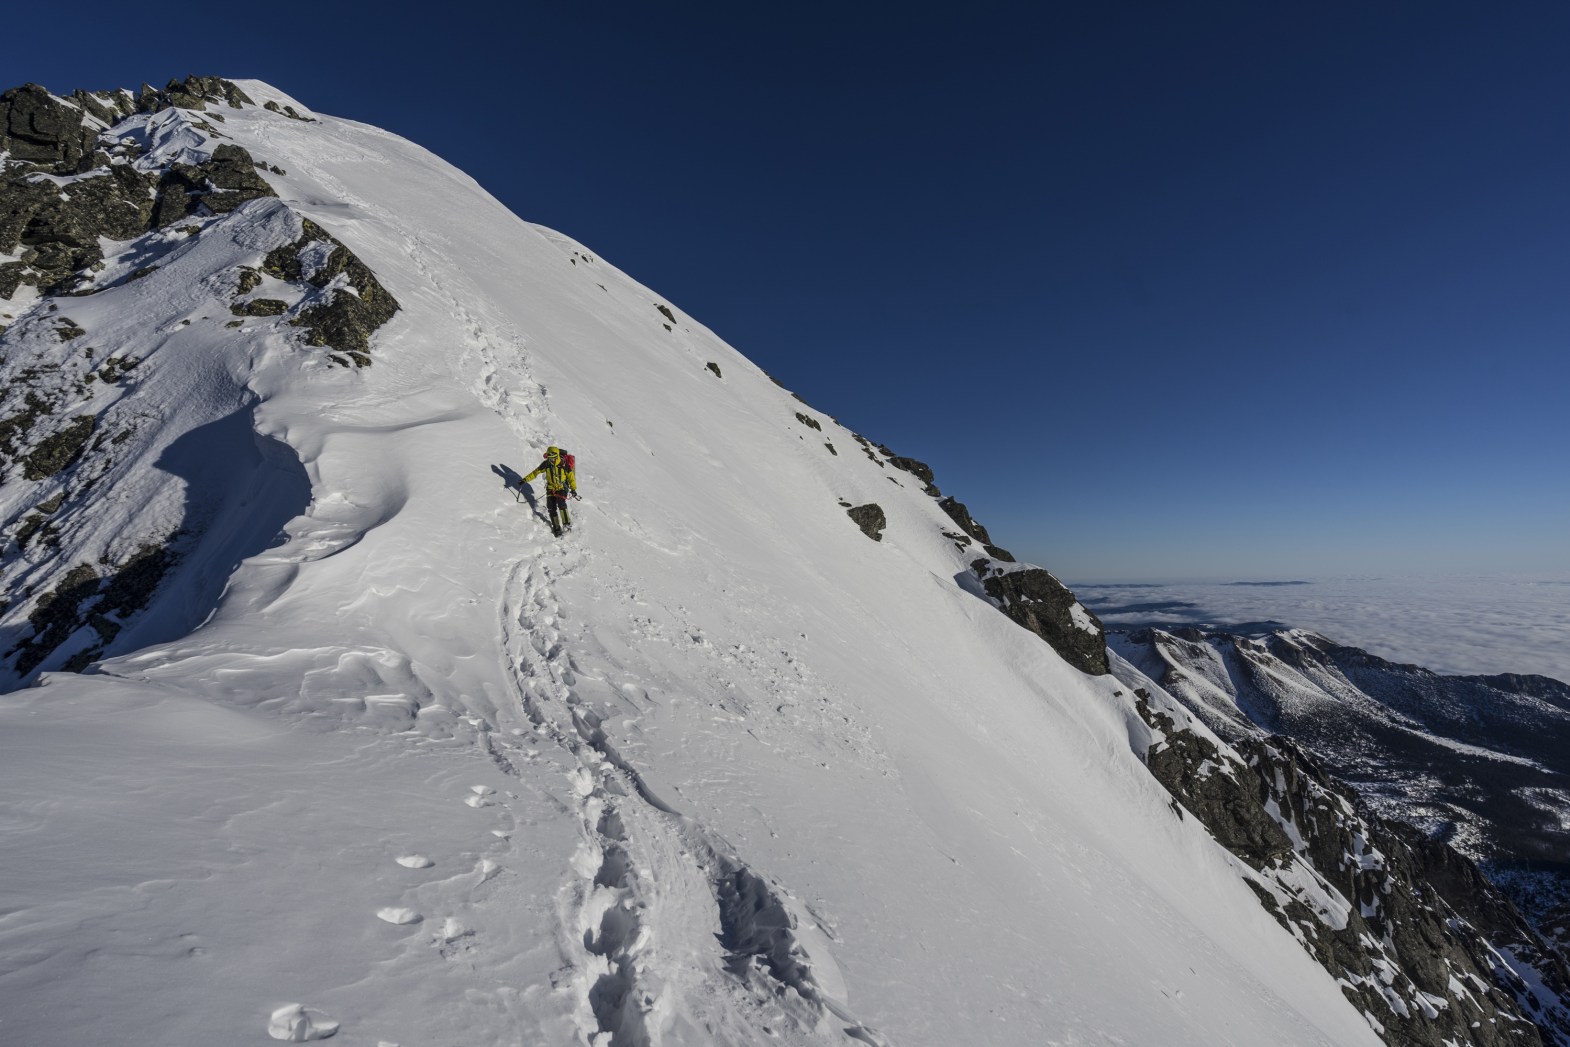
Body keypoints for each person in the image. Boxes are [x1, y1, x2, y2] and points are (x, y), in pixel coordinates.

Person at [522, 445, 579, 536]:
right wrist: (524, 480)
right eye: (549, 458)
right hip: (550, 488)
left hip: (562, 487)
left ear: (556, 457)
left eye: (552, 459)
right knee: (551, 507)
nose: (551, 461)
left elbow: (571, 477)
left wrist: (573, 489)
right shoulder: (546, 464)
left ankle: (566, 525)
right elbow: (535, 473)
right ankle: (556, 527)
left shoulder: (564, 464)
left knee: (561, 503)